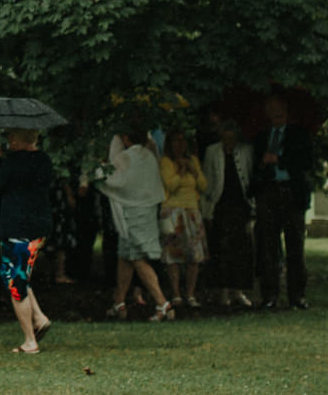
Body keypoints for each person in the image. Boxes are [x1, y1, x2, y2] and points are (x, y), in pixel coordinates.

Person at [0, 128, 57, 354]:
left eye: (11, 137)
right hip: (39, 225)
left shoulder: (12, 163)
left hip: (17, 226)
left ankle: (30, 340)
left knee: (16, 282)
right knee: (17, 272)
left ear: (18, 140)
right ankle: (40, 317)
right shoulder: (44, 161)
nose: (8, 141)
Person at [101, 124, 174, 320]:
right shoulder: (149, 156)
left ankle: (162, 303)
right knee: (125, 255)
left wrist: (96, 171)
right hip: (147, 210)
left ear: (126, 138)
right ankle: (119, 302)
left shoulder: (128, 157)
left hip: (132, 214)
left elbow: (112, 178)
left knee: (137, 257)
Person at [251, 92, 315, 309]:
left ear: (286, 111)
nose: (276, 112)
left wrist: (280, 159)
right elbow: (254, 168)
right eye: (271, 108)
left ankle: (297, 295)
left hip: (292, 194)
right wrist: (263, 165)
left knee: (295, 245)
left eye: (279, 108)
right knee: (268, 246)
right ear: (267, 112)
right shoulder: (261, 136)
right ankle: (270, 295)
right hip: (269, 193)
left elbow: (307, 162)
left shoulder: (299, 134)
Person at [200, 119, 256, 307]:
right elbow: (207, 182)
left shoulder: (247, 150)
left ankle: (238, 290)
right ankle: (223, 291)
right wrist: (207, 212)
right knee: (221, 249)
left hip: (241, 205)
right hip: (221, 206)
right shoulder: (212, 151)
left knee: (241, 250)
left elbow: (250, 176)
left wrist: (253, 209)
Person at [156, 130, 208, 309]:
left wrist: (193, 170)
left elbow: (203, 186)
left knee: (194, 255)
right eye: (175, 141)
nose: (179, 145)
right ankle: (176, 293)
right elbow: (170, 185)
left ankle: (190, 294)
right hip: (173, 211)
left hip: (192, 210)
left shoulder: (193, 160)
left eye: (182, 141)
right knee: (174, 255)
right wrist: (180, 171)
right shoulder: (166, 162)